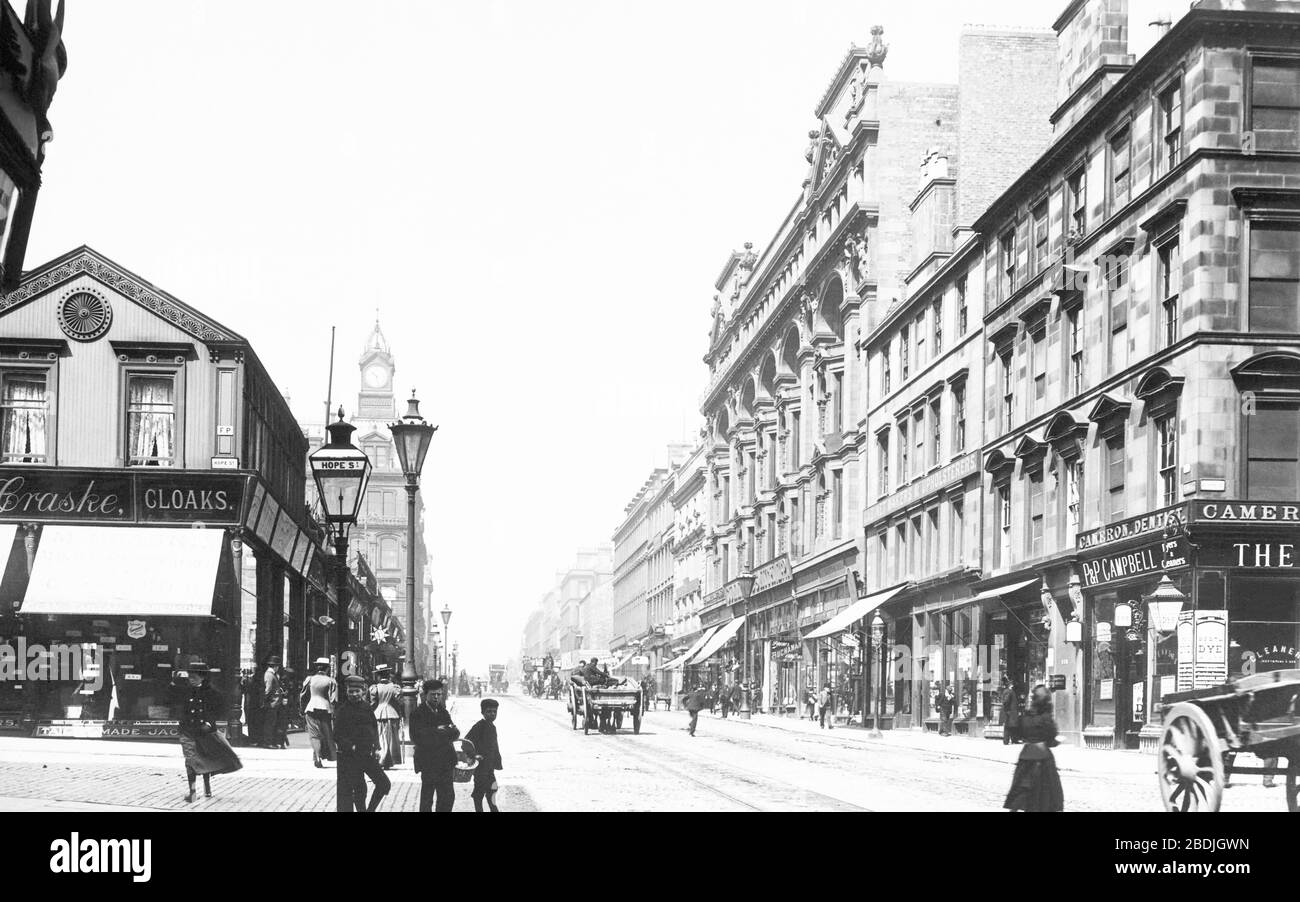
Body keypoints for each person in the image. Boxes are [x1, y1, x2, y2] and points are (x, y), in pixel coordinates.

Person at [175, 662, 242, 803]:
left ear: (202, 677)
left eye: (194, 677)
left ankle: (207, 787)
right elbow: (174, 702)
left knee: (205, 759)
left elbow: (219, 711)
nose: (191, 679)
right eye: (189, 677)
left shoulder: (213, 693)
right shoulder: (184, 690)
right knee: (190, 760)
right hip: (188, 731)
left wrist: (209, 723)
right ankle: (192, 791)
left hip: (204, 731)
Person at [1003, 685, 1065, 812]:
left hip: (1026, 757)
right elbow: (1051, 737)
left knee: (1021, 787)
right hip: (1043, 759)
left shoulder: (1026, 717)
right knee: (1050, 792)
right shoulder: (1046, 719)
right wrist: (1055, 742)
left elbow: (1018, 733)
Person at [334, 675, 391, 812]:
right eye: (351, 691)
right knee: (359, 789)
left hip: (367, 754)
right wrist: (351, 746)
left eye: (357, 691)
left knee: (384, 784)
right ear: (346, 692)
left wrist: (377, 747)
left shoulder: (367, 708)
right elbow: (336, 735)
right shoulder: (342, 711)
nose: (354, 694)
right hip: (350, 757)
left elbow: (373, 727)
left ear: (363, 691)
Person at [411, 678, 460, 812]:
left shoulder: (443, 711)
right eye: (433, 694)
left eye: (439, 694)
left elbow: (455, 732)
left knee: (448, 797)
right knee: (427, 799)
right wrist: (441, 731)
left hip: (446, 763)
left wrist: (435, 732)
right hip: (428, 763)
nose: (437, 697)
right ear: (425, 695)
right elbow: (417, 737)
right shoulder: (418, 714)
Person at [465, 699, 503, 812]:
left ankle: (494, 809)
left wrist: (496, 760)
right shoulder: (479, 726)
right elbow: (466, 742)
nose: (492, 714)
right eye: (489, 711)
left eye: (494, 711)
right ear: (483, 712)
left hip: (489, 767)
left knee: (492, 789)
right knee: (479, 793)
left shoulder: (492, 727)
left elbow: (494, 746)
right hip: (480, 768)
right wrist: (474, 755)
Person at [301, 658, 337, 768]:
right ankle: (323, 754)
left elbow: (303, 696)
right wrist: (334, 711)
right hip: (325, 709)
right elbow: (333, 699)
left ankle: (317, 756)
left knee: (314, 734)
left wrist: (302, 709)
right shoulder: (331, 681)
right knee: (326, 733)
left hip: (311, 708)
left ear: (317, 667)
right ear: (327, 668)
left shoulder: (310, 679)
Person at [369, 665, 404, 769]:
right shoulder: (394, 687)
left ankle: (382, 759)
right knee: (391, 738)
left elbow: (373, 703)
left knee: (380, 737)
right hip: (392, 714)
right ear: (388, 675)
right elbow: (399, 702)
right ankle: (388, 760)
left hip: (379, 714)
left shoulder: (375, 688)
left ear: (379, 676)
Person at [261, 655, 287, 749]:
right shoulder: (269, 675)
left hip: (274, 703)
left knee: (272, 723)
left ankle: (271, 741)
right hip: (272, 704)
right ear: (275, 666)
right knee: (270, 724)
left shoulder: (272, 675)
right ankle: (267, 742)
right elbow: (268, 690)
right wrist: (265, 701)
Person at [1000, 677, 1021, 745]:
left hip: (1010, 712)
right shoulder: (1009, 691)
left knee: (1012, 726)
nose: (1013, 685)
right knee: (1009, 726)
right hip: (1010, 712)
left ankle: (1013, 740)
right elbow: (1006, 701)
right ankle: (1007, 740)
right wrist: (1007, 710)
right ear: (1009, 685)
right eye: (1011, 684)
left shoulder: (1007, 691)